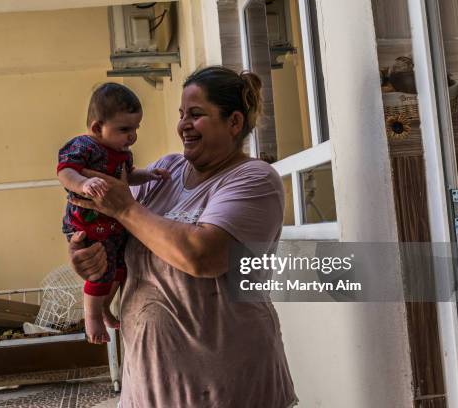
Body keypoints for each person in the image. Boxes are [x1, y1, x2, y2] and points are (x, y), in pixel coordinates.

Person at [68, 66, 298, 407]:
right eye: (181, 114)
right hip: (150, 385)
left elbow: (202, 256)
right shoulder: (166, 171)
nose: (183, 125)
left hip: (227, 389)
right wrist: (90, 258)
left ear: (234, 123)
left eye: (196, 114)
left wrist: (126, 210)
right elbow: (127, 245)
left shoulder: (253, 179)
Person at [57, 82, 168, 344]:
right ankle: (92, 319)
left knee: (120, 268)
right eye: (125, 129)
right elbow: (65, 172)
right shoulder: (84, 146)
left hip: (114, 224)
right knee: (100, 269)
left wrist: (149, 175)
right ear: (97, 128)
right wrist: (83, 184)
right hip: (87, 222)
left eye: (135, 128)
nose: (132, 136)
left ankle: (106, 308)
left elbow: (128, 178)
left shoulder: (122, 154)